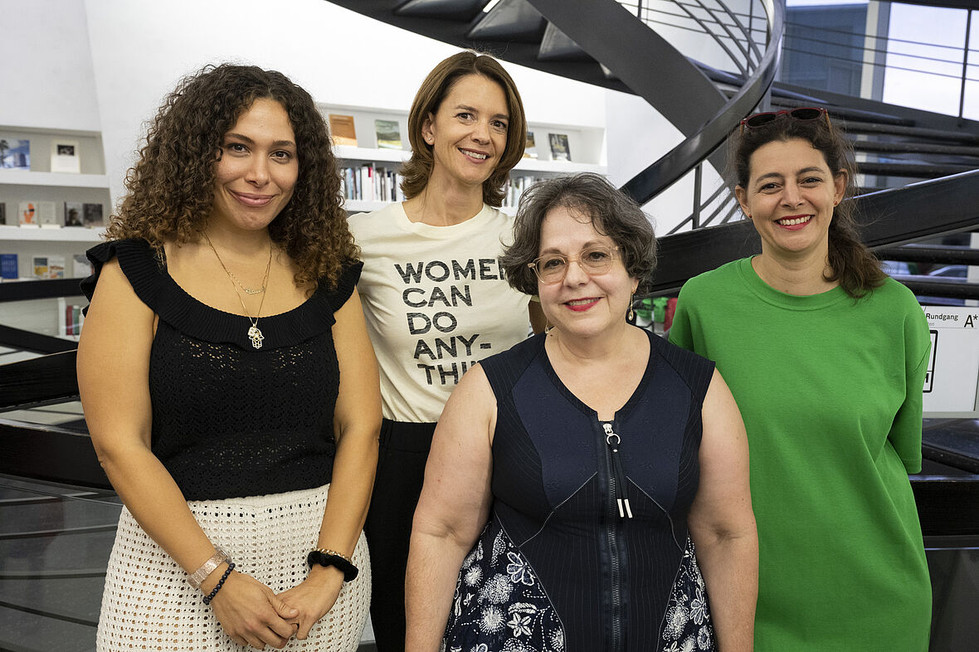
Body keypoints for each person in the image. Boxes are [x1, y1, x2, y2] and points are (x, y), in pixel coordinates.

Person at [77, 63, 380, 651]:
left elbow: (361, 426)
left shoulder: (329, 275)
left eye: (282, 154)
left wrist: (330, 571)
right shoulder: (136, 270)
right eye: (237, 148)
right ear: (196, 153)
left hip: (320, 581)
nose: (260, 175)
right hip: (172, 574)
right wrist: (216, 579)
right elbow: (119, 444)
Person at [405, 173, 758, 651]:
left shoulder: (697, 386)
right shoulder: (489, 389)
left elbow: (726, 534)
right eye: (553, 263)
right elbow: (441, 534)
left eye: (596, 255)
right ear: (535, 281)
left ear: (633, 270)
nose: (574, 278)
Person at [669, 107, 932, 650]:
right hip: (743, 603)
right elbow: (678, 448)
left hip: (878, 602)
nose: (792, 199)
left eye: (809, 180)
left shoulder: (896, 310)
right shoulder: (704, 304)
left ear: (837, 188)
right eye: (770, 185)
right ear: (743, 200)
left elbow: (897, 456)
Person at [347, 50, 542, 650]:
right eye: (465, 115)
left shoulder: (524, 239)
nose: (482, 135)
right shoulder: (363, 239)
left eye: (499, 123)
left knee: (509, 622)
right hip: (407, 454)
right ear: (429, 127)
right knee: (409, 626)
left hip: (509, 450)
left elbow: (556, 346)